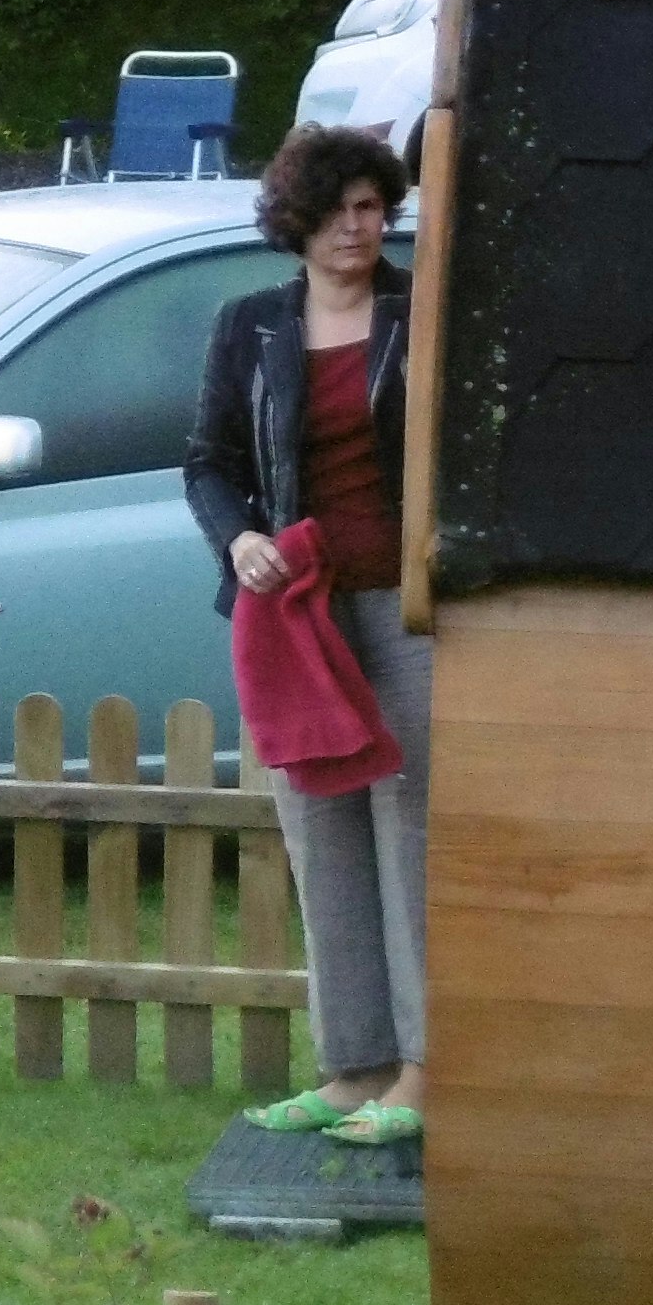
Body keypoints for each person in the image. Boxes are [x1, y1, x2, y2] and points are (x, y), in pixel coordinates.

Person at [184, 125, 425, 1151]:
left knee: (411, 830)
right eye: (335, 212)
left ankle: (423, 1072)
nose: (357, 228)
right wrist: (239, 538)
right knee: (321, 837)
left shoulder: (425, 313)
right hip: (298, 619)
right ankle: (353, 1067)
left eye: (371, 208)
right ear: (296, 222)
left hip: (411, 611)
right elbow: (207, 463)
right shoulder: (250, 326)